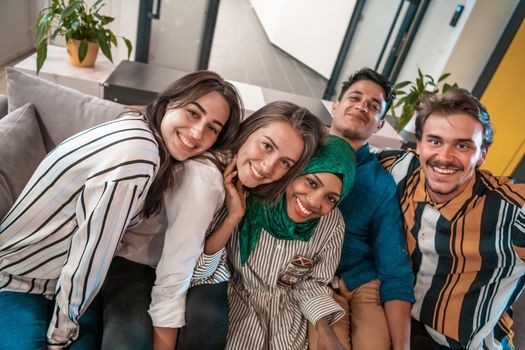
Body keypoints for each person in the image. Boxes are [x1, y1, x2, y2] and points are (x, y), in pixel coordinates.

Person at [0, 70, 243, 349]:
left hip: (55, 283)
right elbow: (88, 257)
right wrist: (61, 337)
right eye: (193, 113)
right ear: (169, 102)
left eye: (213, 128)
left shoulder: (141, 131)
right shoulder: (138, 158)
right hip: (17, 279)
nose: (198, 133)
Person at [101, 101, 326, 350]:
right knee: (131, 340)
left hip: (191, 267)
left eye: (285, 162)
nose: (267, 166)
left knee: (209, 320)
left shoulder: (242, 179)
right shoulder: (205, 181)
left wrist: (232, 218)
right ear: (248, 130)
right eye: (266, 146)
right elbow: (176, 279)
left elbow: (202, 268)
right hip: (139, 260)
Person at [379, 88, 525, 349]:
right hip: (394, 313)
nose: (444, 157)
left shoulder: (511, 212)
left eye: (462, 145)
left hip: (455, 342)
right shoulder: (398, 169)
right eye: (434, 141)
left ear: (482, 154)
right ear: (419, 143)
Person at [203, 135, 356, 349]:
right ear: (295, 172)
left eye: (330, 198)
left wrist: (325, 332)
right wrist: (233, 218)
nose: (314, 202)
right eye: (311, 182)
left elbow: (312, 282)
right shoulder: (246, 195)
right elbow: (204, 267)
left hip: (288, 317)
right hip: (232, 304)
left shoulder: (331, 223)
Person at [308, 68, 415, 350]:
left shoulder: (380, 183)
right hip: (314, 280)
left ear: (379, 125)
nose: (361, 106)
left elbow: (394, 266)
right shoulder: (303, 151)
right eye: (354, 97)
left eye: (373, 106)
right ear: (335, 105)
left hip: (364, 281)